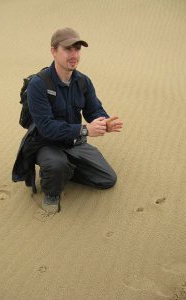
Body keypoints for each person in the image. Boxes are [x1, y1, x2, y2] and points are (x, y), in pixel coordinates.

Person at [13, 27, 123, 215]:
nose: (74, 55)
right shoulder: (38, 85)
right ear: (53, 51)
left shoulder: (83, 81)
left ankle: (65, 170)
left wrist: (104, 121)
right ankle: (52, 191)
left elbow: (93, 109)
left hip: (73, 142)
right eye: (68, 49)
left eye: (77, 49)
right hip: (46, 143)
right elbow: (46, 127)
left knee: (107, 179)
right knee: (56, 165)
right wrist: (85, 130)